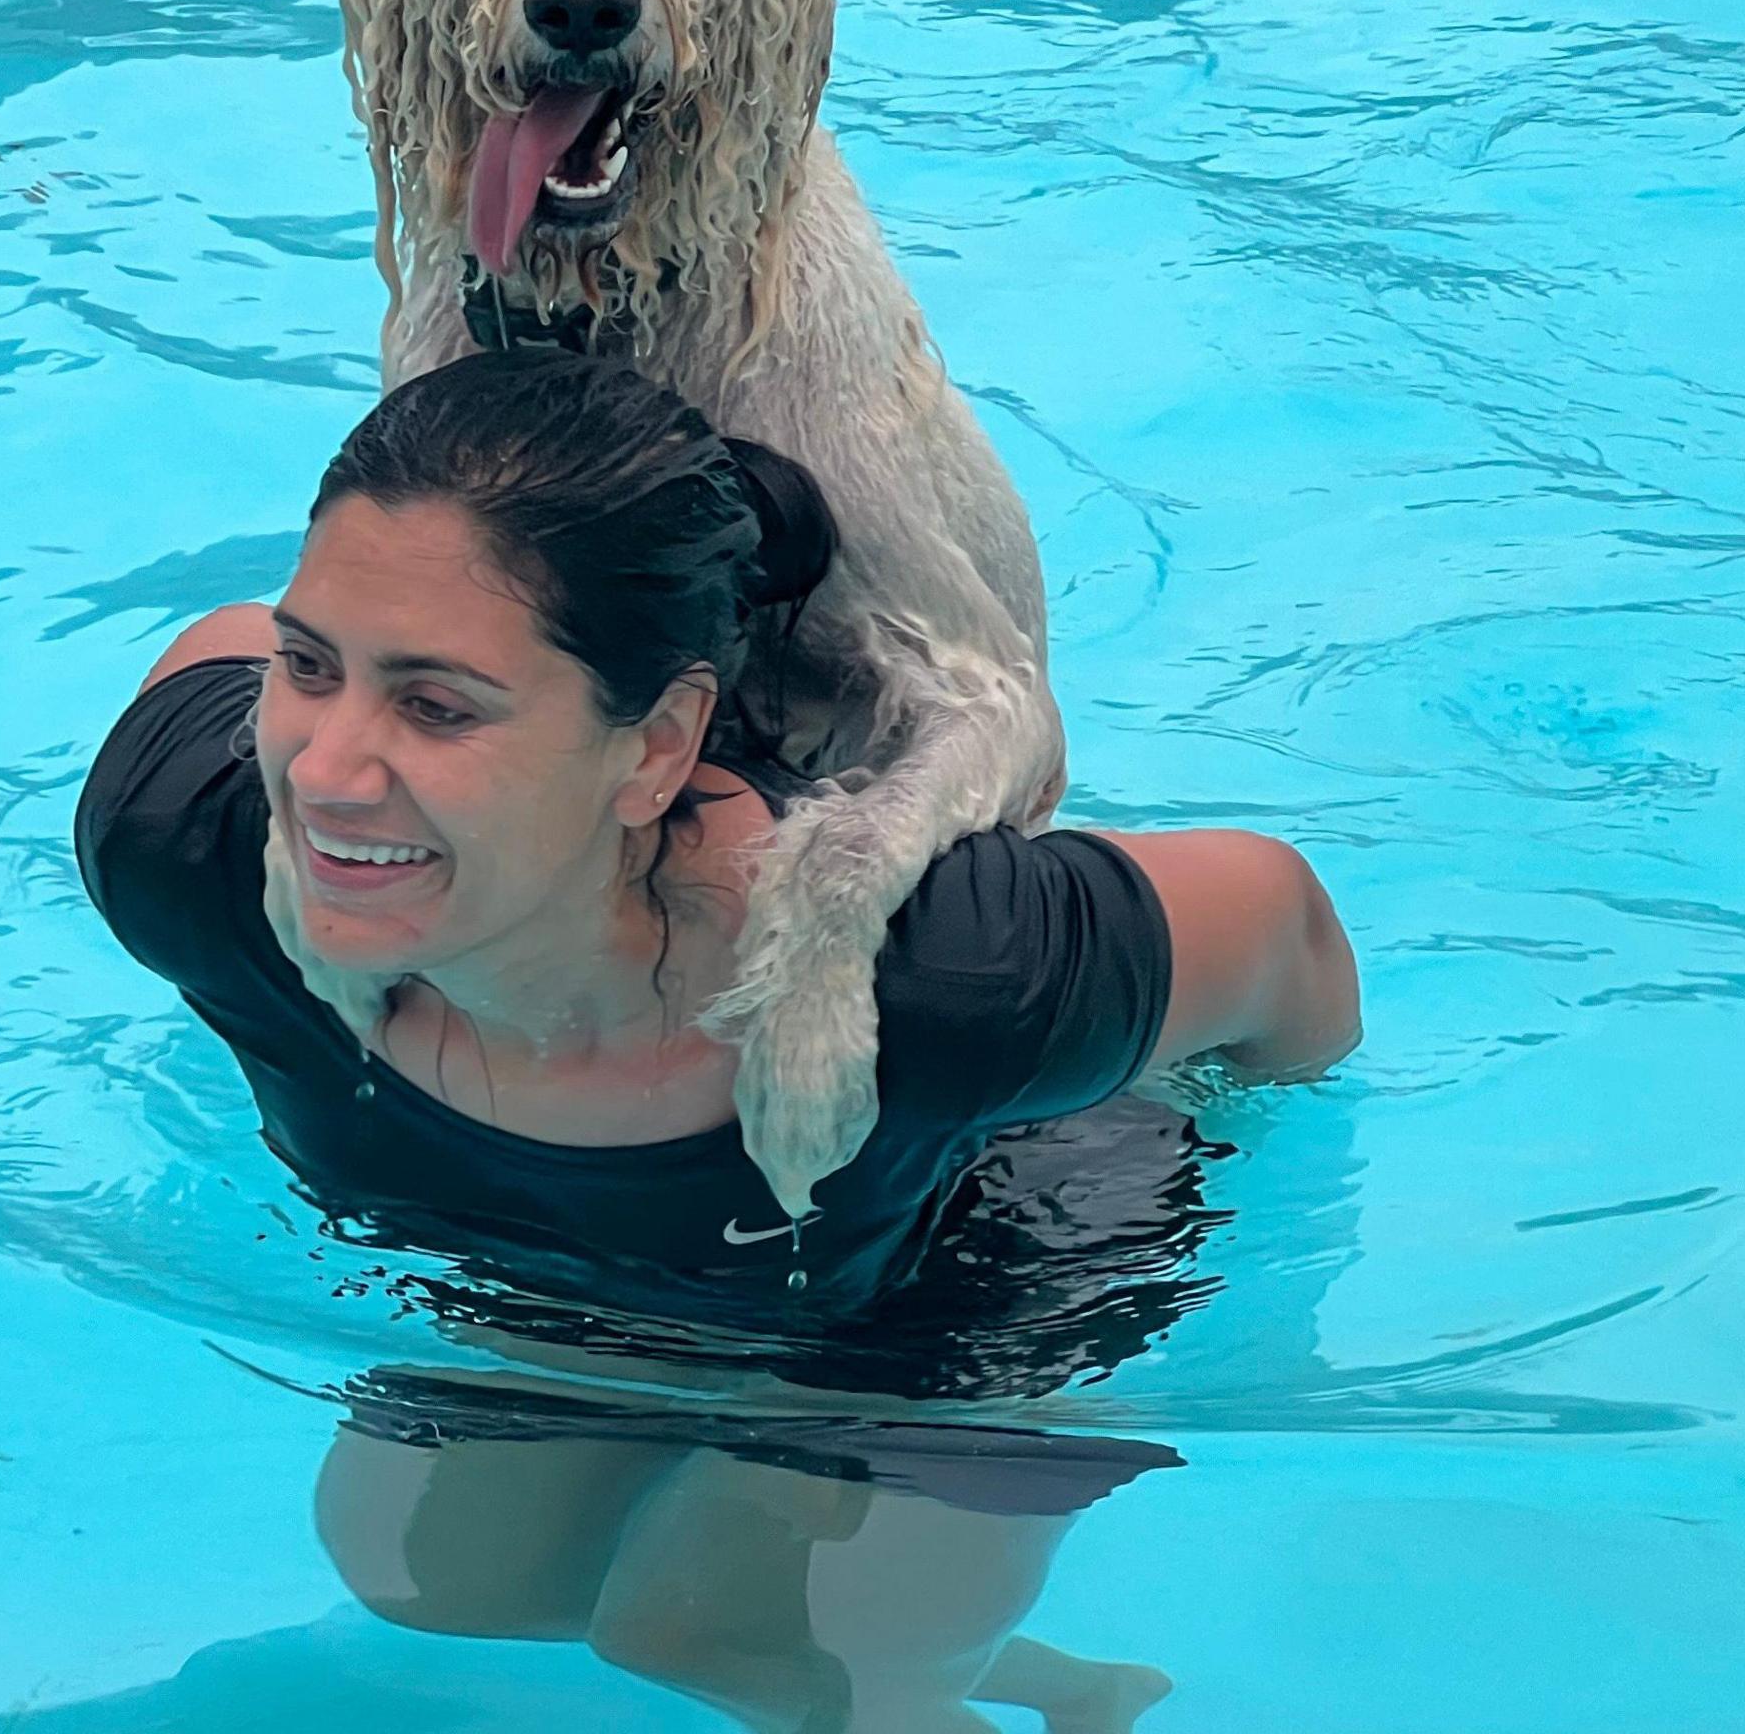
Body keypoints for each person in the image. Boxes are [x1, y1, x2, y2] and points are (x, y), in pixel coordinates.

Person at [71, 350, 1359, 1730]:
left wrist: (1271, 1253)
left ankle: (922, 1688)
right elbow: (215, 643)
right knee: (429, 1574)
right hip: (596, 1281)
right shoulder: (189, 852)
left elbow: (1282, 927)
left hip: (977, 1262)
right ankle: (996, 1673)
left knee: (727, 1634)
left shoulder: (941, 981)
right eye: (313, 664)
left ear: (657, 745)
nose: (324, 773)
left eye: (437, 705)